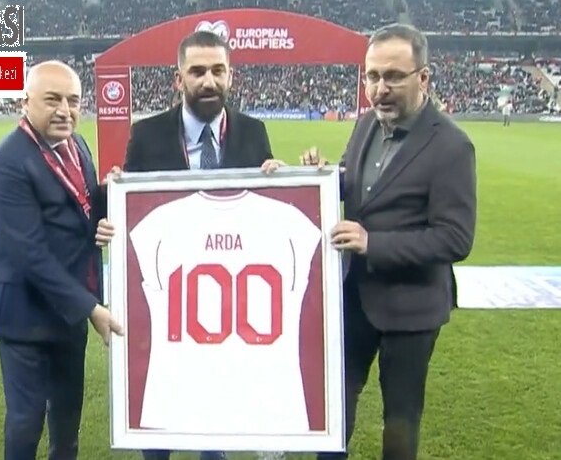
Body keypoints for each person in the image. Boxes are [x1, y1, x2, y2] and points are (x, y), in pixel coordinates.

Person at [97, 30, 284, 460]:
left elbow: (262, 217)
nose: (208, 81)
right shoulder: (147, 134)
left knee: (214, 402)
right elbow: (130, 215)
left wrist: (279, 182)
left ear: (231, 76)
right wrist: (115, 198)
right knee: (160, 406)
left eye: (218, 70)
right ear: (178, 79)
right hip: (167, 295)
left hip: (226, 297)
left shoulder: (253, 133)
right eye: (197, 71)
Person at [300, 23, 477, 460]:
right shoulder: (366, 124)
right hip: (355, 299)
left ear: (424, 77)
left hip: (412, 309)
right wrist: (319, 176)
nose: (380, 89)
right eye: (373, 76)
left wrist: (372, 243)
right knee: (334, 407)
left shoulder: (452, 146)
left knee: (400, 419)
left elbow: (455, 238)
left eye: (394, 76)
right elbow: (356, 184)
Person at [0, 60, 124, 460]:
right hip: (24, 312)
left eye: (73, 101)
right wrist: (90, 308)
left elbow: (82, 208)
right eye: (52, 100)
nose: (65, 110)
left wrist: (113, 196)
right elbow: (29, 253)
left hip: (69, 307)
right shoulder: (6, 161)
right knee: (26, 422)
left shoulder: (77, 145)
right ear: (25, 102)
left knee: (67, 420)